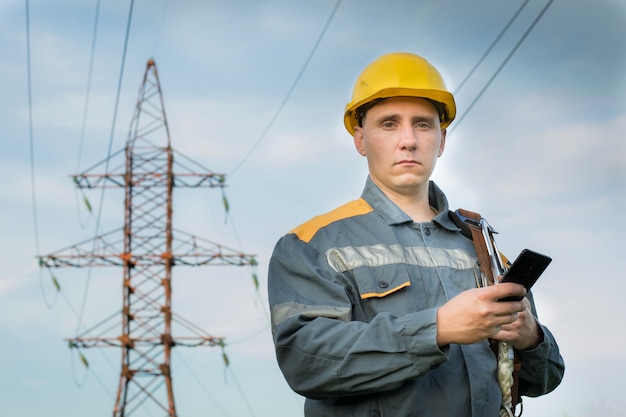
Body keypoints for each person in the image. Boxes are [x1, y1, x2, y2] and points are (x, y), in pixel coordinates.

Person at [268, 52, 564, 416]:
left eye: (423, 125)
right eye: (389, 124)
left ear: (441, 140)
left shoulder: (484, 250)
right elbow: (306, 362)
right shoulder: (313, 245)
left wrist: (531, 338)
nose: (408, 140)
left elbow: (546, 379)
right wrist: (437, 329)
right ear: (360, 139)